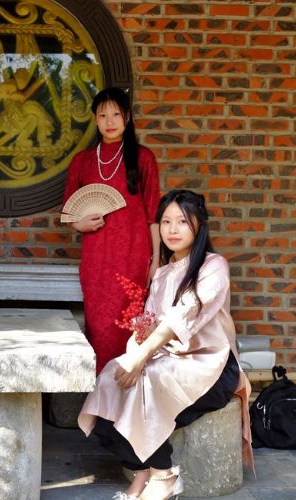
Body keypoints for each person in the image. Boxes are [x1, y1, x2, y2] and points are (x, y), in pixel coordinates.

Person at [77, 190, 253, 500]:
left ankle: (163, 474)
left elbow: (183, 315)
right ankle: (142, 471)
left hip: (211, 366)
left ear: (199, 225)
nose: (172, 230)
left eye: (182, 222)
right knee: (110, 379)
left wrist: (141, 358)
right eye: (166, 222)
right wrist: (136, 348)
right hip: (167, 359)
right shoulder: (161, 274)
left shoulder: (213, 265)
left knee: (145, 383)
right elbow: (149, 324)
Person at [64, 87, 161, 373]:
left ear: (127, 117)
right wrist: (79, 224)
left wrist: (156, 259)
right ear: (95, 119)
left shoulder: (143, 158)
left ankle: (129, 390)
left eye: (116, 114)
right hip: (97, 258)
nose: (109, 121)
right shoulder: (82, 161)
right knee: (99, 327)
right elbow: (68, 212)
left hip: (134, 256)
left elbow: (153, 214)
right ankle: (100, 392)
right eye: (102, 115)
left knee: (131, 326)